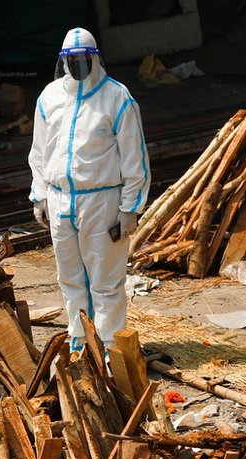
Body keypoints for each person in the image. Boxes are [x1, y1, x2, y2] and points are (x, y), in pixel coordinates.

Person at [28, 27, 150, 354]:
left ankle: (109, 350)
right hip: (59, 199)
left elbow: (134, 156)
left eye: (84, 59)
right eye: (72, 59)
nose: (78, 64)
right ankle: (80, 342)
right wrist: (39, 194)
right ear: (63, 61)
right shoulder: (50, 97)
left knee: (106, 282)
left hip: (103, 200)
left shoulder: (116, 97)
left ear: (95, 59)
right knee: (70, 279)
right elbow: (40, 150)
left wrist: (130, 207)